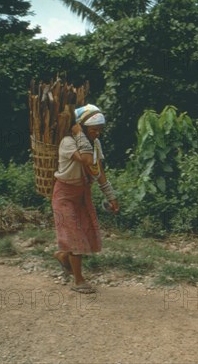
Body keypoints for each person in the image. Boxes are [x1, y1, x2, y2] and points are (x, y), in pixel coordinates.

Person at [51, 104, 119, 294]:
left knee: (82, 234)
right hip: (64, 195)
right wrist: (79, 133)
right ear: (81, 126)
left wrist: (111, 195)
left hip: (82, 194)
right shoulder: (68, 142)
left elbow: (98, 171)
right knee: (75, 237)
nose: (97, 134)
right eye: (93, 130)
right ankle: (78, 280)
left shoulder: (94, 144)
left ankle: (62, 255)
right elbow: (87, 160)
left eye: (99, 130)